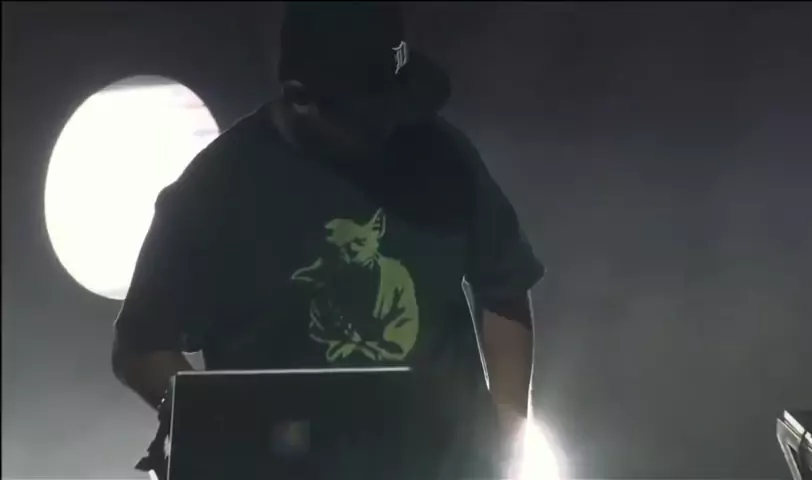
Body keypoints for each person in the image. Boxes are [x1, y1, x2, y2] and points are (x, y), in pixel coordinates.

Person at [111, 2, 544, 479]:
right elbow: (141, 348)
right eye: (368, 114)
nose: (388, 126)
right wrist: (225, 433)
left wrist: (508, 440)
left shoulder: (442, 154)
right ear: (300, 96)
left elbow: (505, 289)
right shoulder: (216, 191)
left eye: (394, 103)